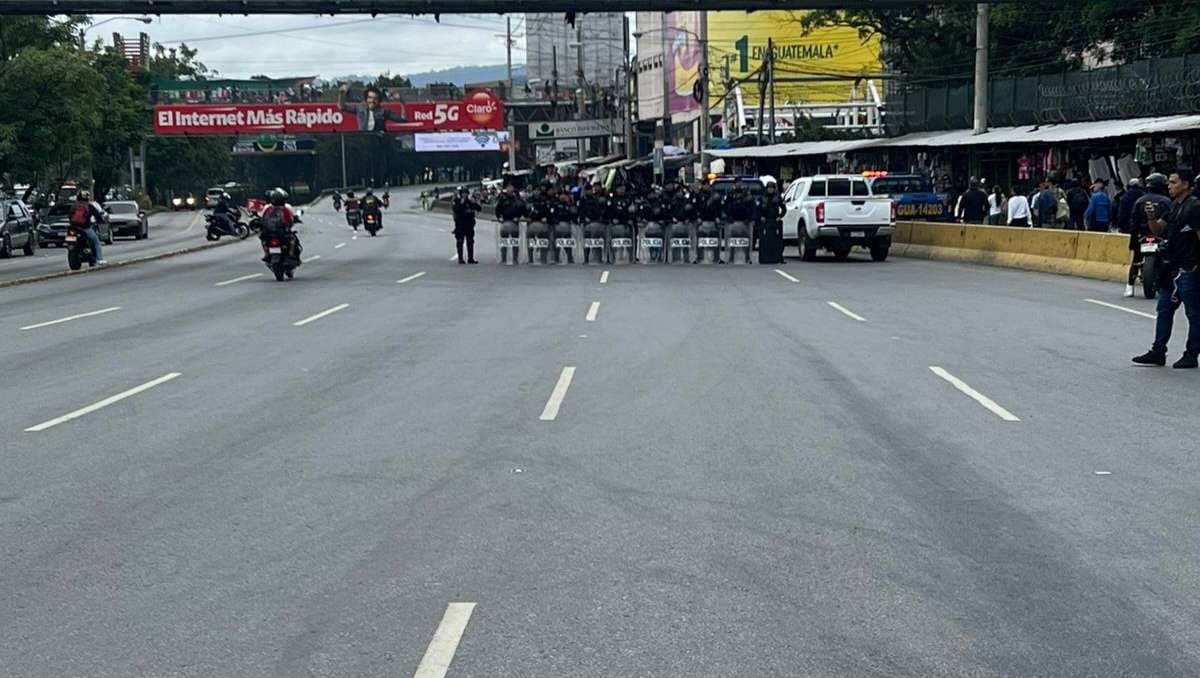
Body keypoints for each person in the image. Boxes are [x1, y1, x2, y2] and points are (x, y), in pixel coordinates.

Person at [1132, 171, 1200, 368]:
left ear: (1185, 184)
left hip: (1188, 269)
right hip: (1170, 267)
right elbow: (1158, 229)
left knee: (1194, 314)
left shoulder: (1194, 207)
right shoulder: (1173, 206)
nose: (1169, 186)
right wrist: (1151, 217)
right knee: (1164, 309)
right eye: (1168, 182)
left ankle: (1191, 354)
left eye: (1173, 182)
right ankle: (1158, 351)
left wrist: (1195, 265)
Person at [1125, 174, 1172, 297]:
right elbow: (1170, 222)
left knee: (1136, 260)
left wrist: (1133, 240)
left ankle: (1130, 285)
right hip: (1161, 236)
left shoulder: (1139, 201)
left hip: (1142, 235)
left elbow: (1133, 222)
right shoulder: (1166, 201)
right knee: (1168, 259)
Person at [338, 84, 406, 132]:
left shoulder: (384, 111)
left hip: (379, 143)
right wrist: (341, 93)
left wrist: (402, 102)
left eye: (375, 99)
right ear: (366, 99)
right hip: (364, 142)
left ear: (379, 101)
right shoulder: (360, 109)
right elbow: (342, 107)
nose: (372, 101)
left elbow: (403, 119)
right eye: (370, 98)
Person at [258, 188, 302, 261]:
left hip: (269, 232)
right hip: (282, 232)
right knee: (292, 239)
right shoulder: (285, 209)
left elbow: (262, 218)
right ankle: (290, 253)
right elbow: (290, 220)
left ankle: (266, 254)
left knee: (263, 239)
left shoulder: (268, 208)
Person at [70, 191, 107, 265]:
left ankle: (72, 248)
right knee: (96, 242)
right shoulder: (89, 206)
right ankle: (100, 259)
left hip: (73, 228)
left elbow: (69, 215)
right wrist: (102, 221)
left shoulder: (74, 206)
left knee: (70, 240)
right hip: (85, 228)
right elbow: (97, 216)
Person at [493, 182, 526, 264]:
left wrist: (519, 217)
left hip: (515, 223)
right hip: (505, 222)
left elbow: (523, 210)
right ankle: (503, 258)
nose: (509, 189)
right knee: (504, 241)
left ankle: (515, 259)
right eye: (508, 187)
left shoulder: (518, 200)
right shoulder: (502, 199)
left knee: (515, 241)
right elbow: (497, 210)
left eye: (511, 187)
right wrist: (499, 217)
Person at [451, 186, 480, 264]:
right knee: (460, 241)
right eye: (463, 193)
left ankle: (471, 258)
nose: (465, 195)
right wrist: (461, 203)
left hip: (469, 225)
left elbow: (478, 209)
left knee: (470, 241)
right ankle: (460, 258)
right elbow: (455, 209)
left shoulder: (470, 201)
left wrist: (475, 202)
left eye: (466, 193)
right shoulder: (457, 201)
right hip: (460, 225)